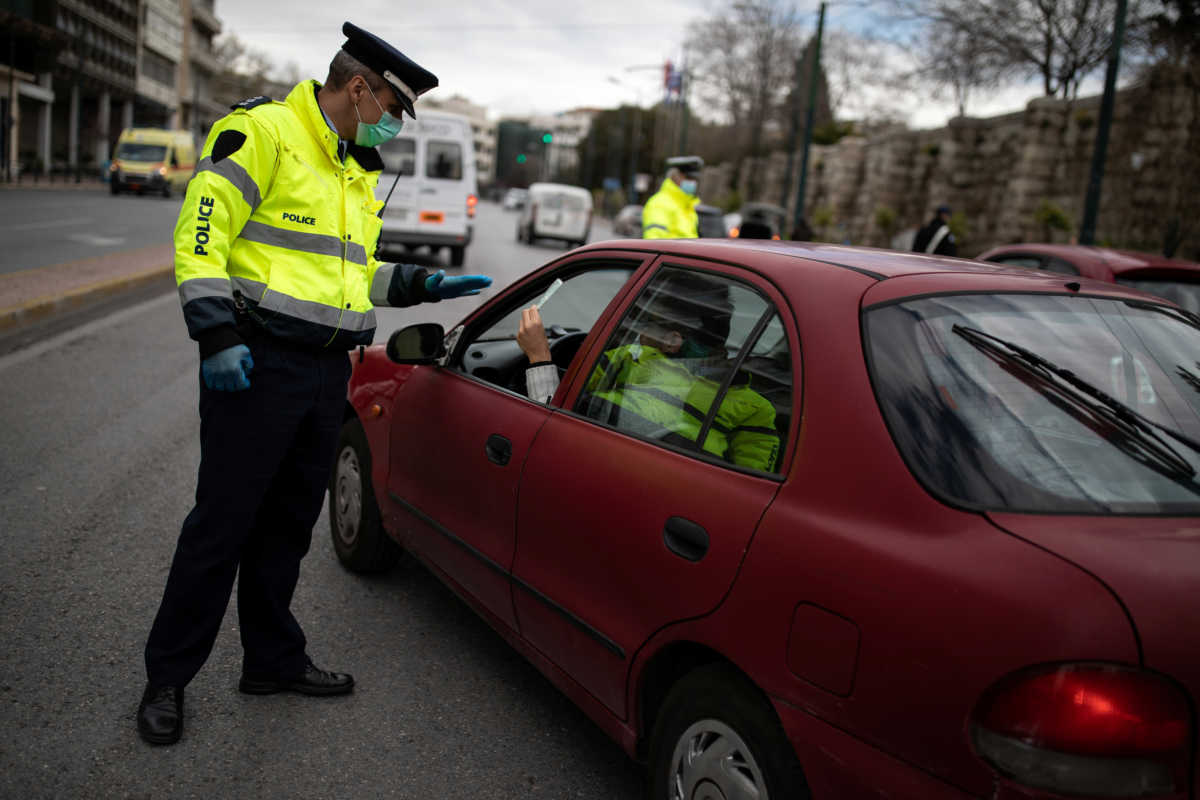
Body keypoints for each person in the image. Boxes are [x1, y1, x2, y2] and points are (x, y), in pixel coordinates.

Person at [137, 21, 492, 747]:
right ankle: (167, 678)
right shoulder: (264, 133)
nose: (394, 122)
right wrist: (215, 335)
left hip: (327, 371)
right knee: (221, 526)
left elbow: (348, 274)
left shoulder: (352, 166)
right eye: (393, 104)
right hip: (254, 365)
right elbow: (201, 231)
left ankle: (271, 660)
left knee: (289, 525)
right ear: (356, 87)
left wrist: (423, 282)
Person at [516, 275, 780, 471]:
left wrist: (539, 355)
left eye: (644, 327)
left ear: (671, 341)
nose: (638, 336)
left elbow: (549, 427)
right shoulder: (757, 410)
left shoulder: (627, 361)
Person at [642, 156, 704, 239]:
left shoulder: (687, 205)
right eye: (688, 178)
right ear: (675, 177)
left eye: (694, 179)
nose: (693, 182)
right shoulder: (660, 203)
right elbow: (654, 241)